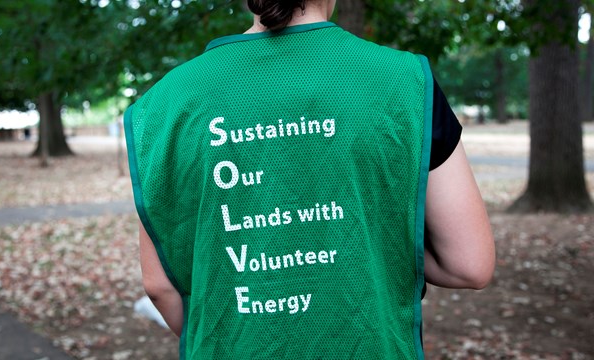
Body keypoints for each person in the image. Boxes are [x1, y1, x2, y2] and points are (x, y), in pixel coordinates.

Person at [124, 0, 495, 358]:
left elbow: (160, 287)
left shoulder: (163, 106)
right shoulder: (406, 83)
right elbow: (469, 263)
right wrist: (375, 243)